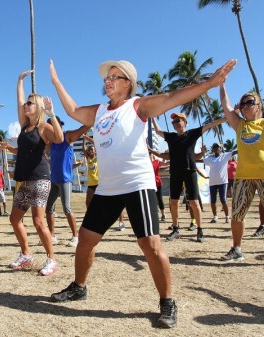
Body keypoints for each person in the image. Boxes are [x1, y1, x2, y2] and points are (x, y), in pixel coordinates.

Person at [48, 58, 236, 328]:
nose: (108, 81)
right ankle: (79, 286)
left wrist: (209, 83)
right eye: (106, 77)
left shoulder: (138, 106)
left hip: (137, 184)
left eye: (115, 76)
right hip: (108, 188)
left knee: (150, 244)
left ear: (129, 84)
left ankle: (167, 302)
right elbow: (74, 109)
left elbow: (173, 96)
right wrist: (56, 82)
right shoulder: (99, 111)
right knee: (86, 240)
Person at [8, 69, 63, 277]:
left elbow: (58, 139)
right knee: (15, 219)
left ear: (38, 106)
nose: (26, 105)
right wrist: (19, 80)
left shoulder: (42, 126)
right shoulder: (25, 126)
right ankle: (26, 255)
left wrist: (51, 114)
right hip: (25, 180)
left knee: (39, 221)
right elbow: (19, 100)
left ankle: (52, 259)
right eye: (26, 103)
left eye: (30, 103)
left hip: (40, 179)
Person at [152, 112, 227, 243]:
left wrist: (228, 116)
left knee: (194, 202)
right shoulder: (171, 137)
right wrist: (151, 115)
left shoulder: (192, 133)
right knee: (173, 202)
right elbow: (158, 130)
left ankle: (200, 230)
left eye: (178, 121)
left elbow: (210, 125)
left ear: (185, 123)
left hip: (190, 171)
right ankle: (176, 229)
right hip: (175, 172)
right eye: (174, 122)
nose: (176, 124)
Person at [220, 84, 264, 261]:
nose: (245, 106)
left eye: (250, 102)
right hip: (243, 177)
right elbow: (225, 105)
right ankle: (237, 249)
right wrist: (222, 83)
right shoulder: (240, 125)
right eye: (243, 103)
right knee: (237, 214)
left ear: (259, 106)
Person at [45, 117, 89, 247]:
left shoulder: (68, 136)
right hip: (53, 179)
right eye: (49, 126)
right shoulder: (50, 143)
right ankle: (52, 235)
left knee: (67, 209)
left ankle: (75, 236)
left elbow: (81, 129)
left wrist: (91, 120)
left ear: (59, 125)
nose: (51, 127)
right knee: (49, 208)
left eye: (53, 124)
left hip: (65, 179)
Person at [202, 143, 237, 224]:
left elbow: (236, 152)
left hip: (223, 182)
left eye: (217, 147)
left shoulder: (225, 156)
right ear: (213, 149)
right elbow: (199, 160)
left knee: (223, 200)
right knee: (213, 201)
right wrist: (200, 153)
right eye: (214, 147)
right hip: (212, 182)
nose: (216, 148)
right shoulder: (209, 158)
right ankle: (215, 216)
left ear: (220, 148)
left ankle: (227, 216)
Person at [150, 153, 169, 222]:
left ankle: (163, 214)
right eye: (148, 154)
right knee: (151, 200)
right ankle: (153, 215)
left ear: (153, 155)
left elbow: (164, 164)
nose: (149, 155)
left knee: (160, 199)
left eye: (150, 154)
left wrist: (168, 164)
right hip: (149, 184)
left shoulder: (157, 162)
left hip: (157, 183)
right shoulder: (146, 163)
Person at [81, 134, 98, 208]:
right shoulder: (88, 159)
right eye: (89, 149)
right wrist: (84, 139)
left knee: (100, 202)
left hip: (99, 183)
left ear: (95, 151)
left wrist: (86, 137)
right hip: (91, 184)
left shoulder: (98, 157)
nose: (90, 150)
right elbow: (83, 148)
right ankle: (90, 216)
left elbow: (95, 144)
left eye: (92, 149)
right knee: (88, 202)